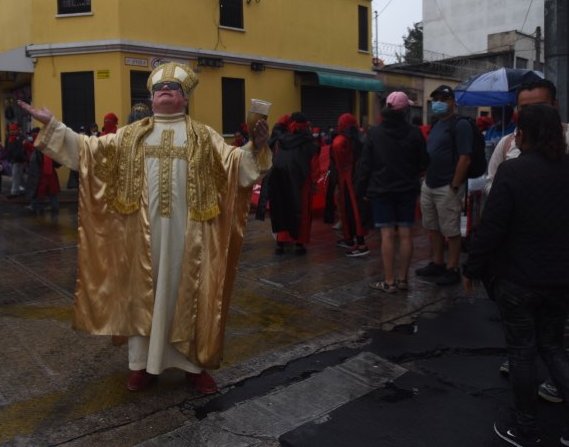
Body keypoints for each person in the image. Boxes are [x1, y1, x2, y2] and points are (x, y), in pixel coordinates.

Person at [18, 61, 270, 394]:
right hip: (141, 235)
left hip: (189, 236)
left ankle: (193, 367)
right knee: (143, 295)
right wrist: (53, 126)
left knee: (189, 295)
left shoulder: (204, 136)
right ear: (151, 98)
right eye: (159, 89)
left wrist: (257, 145)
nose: (166, 91)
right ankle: (144, 366)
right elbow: (88, 151)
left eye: (174, 88)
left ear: (185, 98)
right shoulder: (131, 136)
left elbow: (236, 167)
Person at [462, 104, 569, 447]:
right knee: (554, 347)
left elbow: (491, 229)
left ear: (523, 134)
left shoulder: (512, 171)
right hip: (561, 279)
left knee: (522, 353)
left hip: (518, 280)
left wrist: (473, 269)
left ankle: (526, 429)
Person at [356, 92, 429, 293]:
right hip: (407, 190)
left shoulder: (374, 132)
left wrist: (360, 190)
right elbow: (424, 162)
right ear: (405, 110)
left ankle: (389, 282)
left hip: (381, 189)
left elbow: (365, 165)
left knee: (387, 235)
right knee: (405, 234)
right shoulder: (414, 133)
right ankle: (403, 280)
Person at [415, 84, 471, 285]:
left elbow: (465, 158)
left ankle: (452, 267)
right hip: (429, 184)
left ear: (453, 102)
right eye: (436, 99)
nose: (439, 103)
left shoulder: (460, 125)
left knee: (451, 230)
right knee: (433, 227)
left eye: (443, 99)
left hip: (447, 187)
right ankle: (438, 263)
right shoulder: (436, 124)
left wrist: (454, 185)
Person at [267, 112, 322, 255]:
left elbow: (277, 128)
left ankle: (280, 242)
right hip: (302, 184)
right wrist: (315, 183)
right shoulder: (310, 143)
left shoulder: (281, 139)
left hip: (281, 181)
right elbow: (314, 166)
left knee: (282, 209)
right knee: (302, 212)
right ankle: (299, 244)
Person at [332, 113, 369, 257]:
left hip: (346, 180)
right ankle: (354, 240)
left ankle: (359, 243)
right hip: (357, 180)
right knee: (354, 211)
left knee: (351, 211)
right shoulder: (361, 138)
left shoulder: (340, 141)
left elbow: (338, 162)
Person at [24, 130, 60, 217]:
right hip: (49, 173)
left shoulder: (39, 148)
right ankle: (54, 207)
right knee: (51, 192)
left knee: (39, 191)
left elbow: (37, 160)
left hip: (42, 174)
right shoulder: (48, 147)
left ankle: (35, 206)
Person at [5, 123, 27, 197]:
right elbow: (7, 148)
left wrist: (18, 157)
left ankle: (14, 191)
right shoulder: (8, 138)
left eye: (13, 130)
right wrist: (8, 158)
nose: (12, 132)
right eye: (11, 130)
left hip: (18, 159)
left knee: (16, 175)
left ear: (17, 130)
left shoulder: (21, 138)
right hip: (12, 160)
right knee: (19, 175)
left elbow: (21, 149)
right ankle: (23, 189)